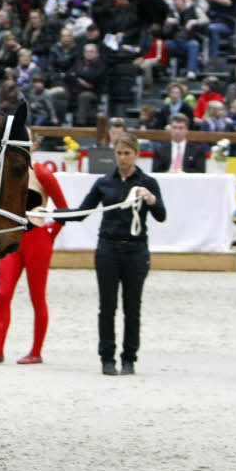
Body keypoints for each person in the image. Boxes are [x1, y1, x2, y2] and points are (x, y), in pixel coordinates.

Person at [58, 133, 165, 375]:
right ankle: (107, 357)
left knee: (132, 307)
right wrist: (52, 213)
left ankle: (129, 358)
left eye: (127, 153)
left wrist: (151, 200)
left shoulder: (147, 182)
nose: (123, 158)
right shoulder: (104, 182)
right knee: (106, 307)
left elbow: (161, 215)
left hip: (136, 250)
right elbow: (82, 212)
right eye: (119, 153)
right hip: (108, 250)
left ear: (136, 155)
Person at [0, 142, 70, 365]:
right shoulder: (4, 172)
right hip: (13, 238)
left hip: (37, 239)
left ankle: (36, 351)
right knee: (3, 293)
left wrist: (49, 235)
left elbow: (63, 210)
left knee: (37, 297)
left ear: (34, 145)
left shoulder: (41, 172)